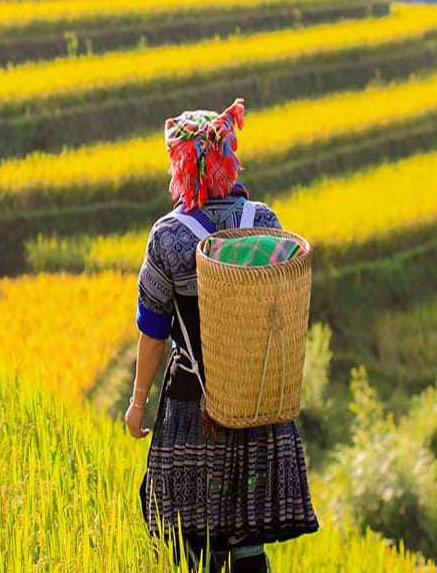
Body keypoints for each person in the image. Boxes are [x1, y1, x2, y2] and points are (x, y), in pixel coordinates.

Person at [125, 98, 320, 572]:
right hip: (257, 404)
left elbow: (153, 332)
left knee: (193, 528)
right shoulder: (267, 224)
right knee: (246, 532)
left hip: (195, 404)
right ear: (227, 161)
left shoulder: (168, 237)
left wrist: (137, 403)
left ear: (182, 168)